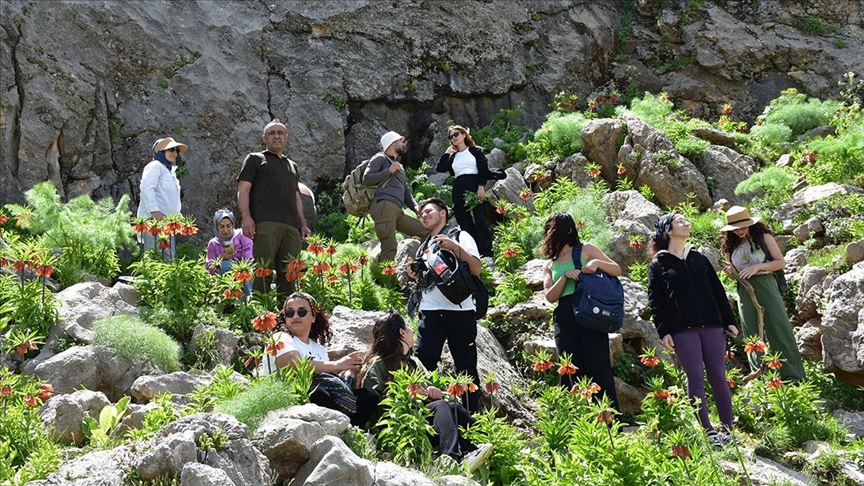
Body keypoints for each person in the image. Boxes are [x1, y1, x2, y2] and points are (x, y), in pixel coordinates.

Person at [360, 311, 493, 472]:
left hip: (421, 420)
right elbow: (374, 404)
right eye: (408, 328)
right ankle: (452, 458)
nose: (411, 331)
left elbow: (441, 394)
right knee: (442, 406)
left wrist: (433, 391)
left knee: (454, 408)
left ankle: (481, 445)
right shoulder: (378, 365)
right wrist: (411, 396)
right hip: (400, 425)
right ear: (402, 332)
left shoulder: (413, 363)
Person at [648, 213, 739, 447]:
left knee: (719, 376)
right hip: (682, 330)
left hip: (712, 326)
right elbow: (656, 302)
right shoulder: (659, 265)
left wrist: (728, 321)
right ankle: (708, 431)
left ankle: (728, 431)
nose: (687, 223)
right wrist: (663, 331)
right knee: (696, 378)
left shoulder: (699, 259)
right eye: (680, 221)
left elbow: (718, 291)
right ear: (668, 230)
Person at [257, 292, 380, 428]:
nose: (295, 316)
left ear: (313, 317)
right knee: (318, 392)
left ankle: (351, 427)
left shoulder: (318, 349)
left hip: (321, 393)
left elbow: (327, 378)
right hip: (289, 395)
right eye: (290, 313)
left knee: (370, 395)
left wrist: (347, 372)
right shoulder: (280, 338)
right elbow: (293, 363)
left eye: (302, 311)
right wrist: (337, 364)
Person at [406, 197, 482, 412]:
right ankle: (424, 412)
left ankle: (471, 418)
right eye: (421, 214)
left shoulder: (461, 236)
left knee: (466, 366)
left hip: (460, 310)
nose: (424, 216)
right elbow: (426, 280)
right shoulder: (424, 247)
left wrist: (455, 248)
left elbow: (476, 269)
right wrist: (413, 273)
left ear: (443, 213)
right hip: (430, 310)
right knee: (423, 362)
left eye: (429, 211)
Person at [541, 213, 620, 410]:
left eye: (554, 228)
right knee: (568, 367)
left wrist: (596, 264)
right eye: (549, 229)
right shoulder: (549, 264)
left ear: (568, 230)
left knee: (598, 365)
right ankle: (574, 417)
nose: (551, 233)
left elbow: (616, 269)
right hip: (564, 315)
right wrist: (565, 277)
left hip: (589, 310)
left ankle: (608, 418)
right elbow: (550, 297)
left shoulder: (585, 249)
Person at [720, 206, 805, 382]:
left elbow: (780, 263)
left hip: (766, 283)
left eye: (743, 226)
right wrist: (731, 273)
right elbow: (735, 271)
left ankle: (793, 376)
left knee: (778, 327)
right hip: (744, 288)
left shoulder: (764, 238)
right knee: (751, 332)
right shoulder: (730, 246)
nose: (740, 230)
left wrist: (758, 266)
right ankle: (761, 379)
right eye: (735, 228)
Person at [237, 120, 311, 297]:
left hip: (292, 227)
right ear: (264, 138)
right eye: (271, 133)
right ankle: (260, 311)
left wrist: (303, 223)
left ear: (286, 138)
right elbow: (243, 189)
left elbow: (296, 197)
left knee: (289, 272)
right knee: (263, 269)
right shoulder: (255, 159)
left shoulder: (292, 165)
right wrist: (246, 217)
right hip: (266, 223)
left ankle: (286, 314)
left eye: (280, 133)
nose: (276, 136)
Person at [362, 131, 428, 263]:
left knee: (425, 231)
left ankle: (422, 266)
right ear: (392, 143)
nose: (403, 144)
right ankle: (387, 281)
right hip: (384, 206)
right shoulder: (380, 158)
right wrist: (389, 171)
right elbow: (366, 179)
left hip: (396, 210)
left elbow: (405, 192)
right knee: (390, 246)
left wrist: (415, 207)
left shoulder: (400, 166)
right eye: (401, 141)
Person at [436, 125, 493, 266]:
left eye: (455, 134)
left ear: (463, 134)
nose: (453, 138)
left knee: (480, 218)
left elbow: (483, 170)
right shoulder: (453, 156)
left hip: (474, 184)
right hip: (459, 186)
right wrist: (447, 152)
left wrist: (481, 187)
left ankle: (487, 252)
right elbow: (440, 167)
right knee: (464, 220)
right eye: (450, 137)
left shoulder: (475, 151)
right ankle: (474, 252)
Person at [137, 137, 187, 260]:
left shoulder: (170, 173)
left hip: (167, 221)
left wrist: (178, 218)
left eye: (176, 150)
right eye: (171, 149)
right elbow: (147, 188)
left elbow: (171, 200)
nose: (174, 153)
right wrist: (155, 211)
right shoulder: (155, 166)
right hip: (154, 220)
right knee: (155, 256)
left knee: (169, 258)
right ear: (160, 151)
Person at [205, 208, 254, 296]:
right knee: (224, 265)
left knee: (246, 272)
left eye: (228, 226)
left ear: (233, 225)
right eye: (221, 227)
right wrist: (221, 258)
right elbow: (209, 268)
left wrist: (240, 266)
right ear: (216, 227)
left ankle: (248, 298)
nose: (226, 230)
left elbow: (248, 257)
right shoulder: (213, 243)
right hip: (223, 276)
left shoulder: (241, 236)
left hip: (241, 271)